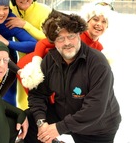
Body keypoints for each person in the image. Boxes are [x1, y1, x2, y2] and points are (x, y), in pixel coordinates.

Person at [24, 9, 121, 143]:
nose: (67, 43)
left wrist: (59, 128)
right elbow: (37, 94)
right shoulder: (50, 59)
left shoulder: (98, 63)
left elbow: (95, 108)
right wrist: (41, 122)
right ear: (54, 41)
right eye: (60, 38)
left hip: (96, 127)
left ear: (79, 35)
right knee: (29, 118)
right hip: (64, 112)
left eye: (71, 36)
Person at [19, 2, 114, 92]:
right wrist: (36, 64)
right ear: (88, 21)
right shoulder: (74, 35)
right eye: (95, 19)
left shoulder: (99, 48)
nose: (99, 24)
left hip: (56, 77)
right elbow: (42, 43)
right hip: (33, 71)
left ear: (107, 26)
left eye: (104, 22)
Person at [5, 0, 52, 109]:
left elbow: (50, 39)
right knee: (22, 100)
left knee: (43, 100)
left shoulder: (45, 11)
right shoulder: (9, 9)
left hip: (44, 63)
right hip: (22, 64)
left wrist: (25, 25)